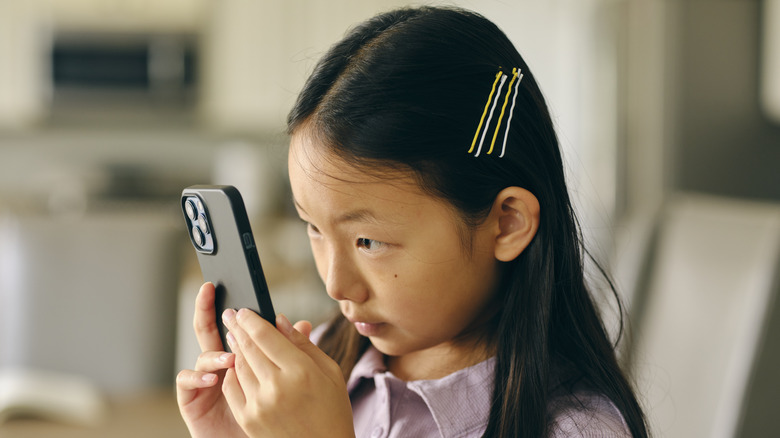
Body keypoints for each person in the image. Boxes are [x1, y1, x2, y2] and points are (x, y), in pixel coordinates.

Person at [176, 6, 648, 438]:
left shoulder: (580, 430)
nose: (337, 286)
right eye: (314, 228)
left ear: (506, 224)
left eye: (368, 241)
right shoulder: (322, 364)